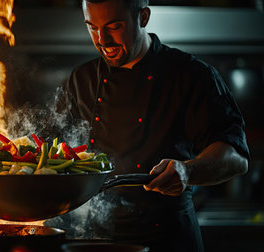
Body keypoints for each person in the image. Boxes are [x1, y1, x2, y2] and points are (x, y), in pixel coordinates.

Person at [52, 0, 250, 251]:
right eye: (92, 27)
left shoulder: (191, 74)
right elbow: (59, 155)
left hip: (166, 238)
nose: (102, 39)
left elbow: (236, 157)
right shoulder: (82, 79)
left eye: (115, 26)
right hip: (95, 238)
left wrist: (187, 171)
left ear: (143, 17)